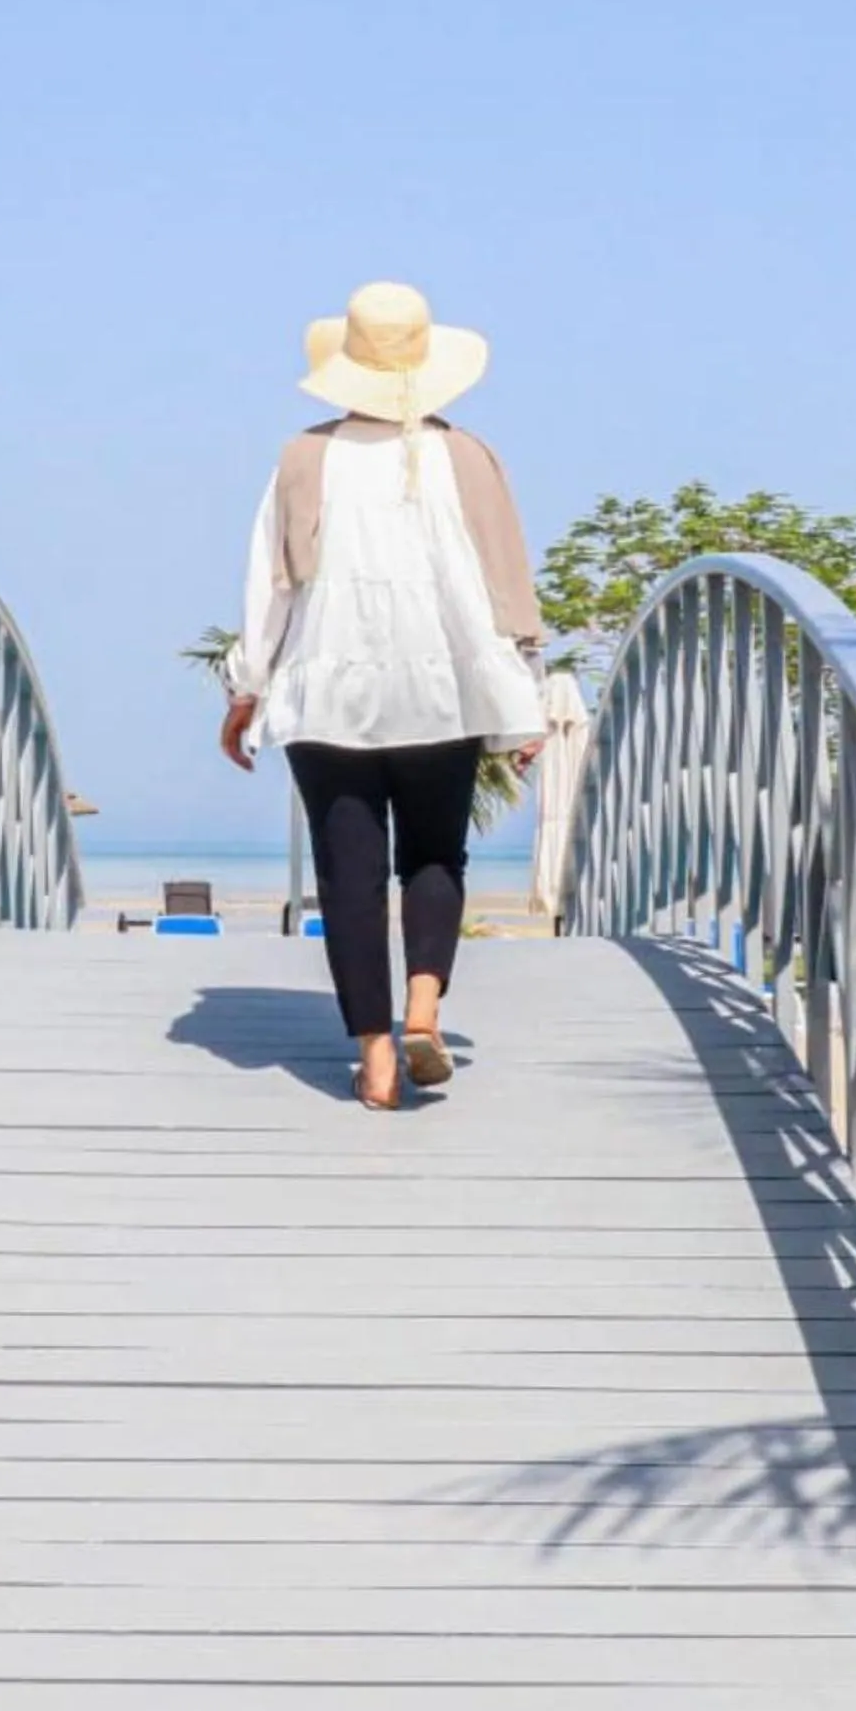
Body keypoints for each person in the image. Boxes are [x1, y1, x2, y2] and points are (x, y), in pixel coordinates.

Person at [220, 281, 545, 1110]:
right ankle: (424, 1013)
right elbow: (507, 587)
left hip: (327, 693)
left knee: (348, 873)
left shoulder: (305, 458)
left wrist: (245, 689)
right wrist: (524, 700)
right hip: (443, 689)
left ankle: (373, 1056)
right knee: (436, 854)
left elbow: (274, 588)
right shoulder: (470, 457)